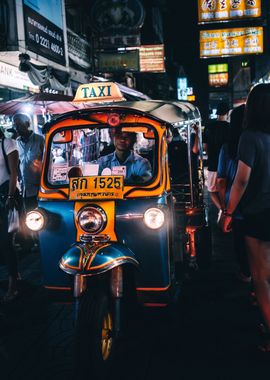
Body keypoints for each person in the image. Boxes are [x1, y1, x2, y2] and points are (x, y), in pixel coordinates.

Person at [220, 83, 270, 352]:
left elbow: (241, 181)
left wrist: (227, 213)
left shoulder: (249, 137)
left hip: (259, 214)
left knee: (261, 277)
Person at [217, 104, 251, 283]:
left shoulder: (227, 148)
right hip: (257, 204)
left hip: (235, 206)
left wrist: (225, 209)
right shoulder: (260, 141)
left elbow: (221, 182)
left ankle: (246, 274)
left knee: (241, 244)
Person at [12, 113, 44, 249]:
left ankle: (43, 242)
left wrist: (40, 165)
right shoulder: (16, 142)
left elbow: (49, 162)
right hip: (26, 188)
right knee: (31, 217)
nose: (17, 128)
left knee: (42, 216)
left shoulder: (39, 139)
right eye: (15, 125)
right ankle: (36, 241)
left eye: (19, 124)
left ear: (27, 124)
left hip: (40, 187)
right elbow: (16, 164)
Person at [0, 127, 20, 301]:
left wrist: (10, 196)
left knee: (6, 242)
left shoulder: (7, 143)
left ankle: (13, 283)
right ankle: (13, 275)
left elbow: (14, 172)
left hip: (6, 195)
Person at [203, 102, 230, 209]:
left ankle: (222, 209)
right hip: (227, 165)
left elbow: (205, 147)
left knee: (212, 190)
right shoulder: (230, 127)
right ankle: (227, 208)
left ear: (217, 112)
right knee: (226, 189)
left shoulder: (209, 127)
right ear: (227, 113)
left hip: (213, 164)